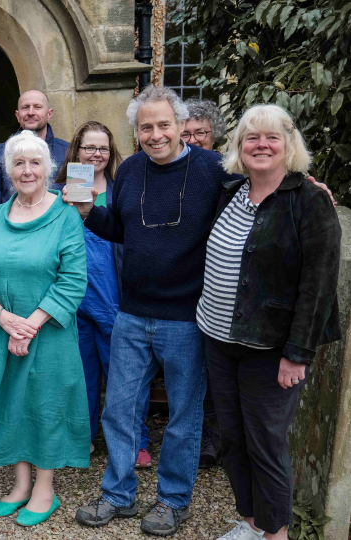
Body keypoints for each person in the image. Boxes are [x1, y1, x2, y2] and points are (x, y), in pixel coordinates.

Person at [71, 86, 236, 536]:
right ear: (136, 131)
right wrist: (88, 212)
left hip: (187, 317)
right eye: (146, 127)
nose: (156, 134)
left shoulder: (214, 168)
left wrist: (307, 188)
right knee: (119, 409)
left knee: (183, 415)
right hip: (132, 312)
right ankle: (118, 495)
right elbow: (123, 230)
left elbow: (257, 198)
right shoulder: (130, 170)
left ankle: (173, 500)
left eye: (164, 125)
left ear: (180, 125)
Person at [197, 105, 341, 540]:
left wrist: (298, 354)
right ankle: (252, 523)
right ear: (239, 146)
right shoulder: (231, 192)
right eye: (251, 137)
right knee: (233, 440)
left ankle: (276, 534)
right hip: (219, 340)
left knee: (265, 445)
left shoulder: (310, 201)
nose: (261, 145)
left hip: (272, 349)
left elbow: (319, 285)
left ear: (288, 145)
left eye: (272, 137)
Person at [0, 130, 90, 527]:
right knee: (11, 403)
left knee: (44, 405)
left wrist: (29, 325)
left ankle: (45, 488)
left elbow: (73, 281)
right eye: (19, 163)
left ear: (49, 168)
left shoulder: (65, 216)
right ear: (8, 171)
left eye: (35, 163)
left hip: (48, 332)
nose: (27, 171)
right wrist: (3, 318)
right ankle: (22, 484)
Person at [50, 121, 155, 461]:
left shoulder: (122, 189)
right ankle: (83, 437)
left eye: (103, 149)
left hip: (114, 298)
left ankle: (135, 441)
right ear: (76, 151)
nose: (96, 154)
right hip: (72, 301)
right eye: (89, 148)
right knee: (80, 377)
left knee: (124, 376)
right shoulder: (58, 193)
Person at [183, 97, 228, 469]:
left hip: (216, 285)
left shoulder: (227, 171)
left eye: (201, 132)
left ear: (215, 135)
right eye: (187, 133)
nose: (194, 139)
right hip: (183, 284)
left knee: (213, 368)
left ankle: (212, 438)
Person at [0, 90, 69, 210]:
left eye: (37, 107)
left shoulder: (68, 152)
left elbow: (79, 202)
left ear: (49, 114)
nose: (30, 112)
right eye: (25, 108)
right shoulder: (1, 153)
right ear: (17, 115)